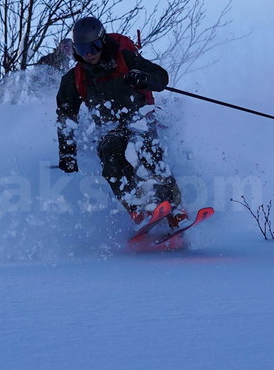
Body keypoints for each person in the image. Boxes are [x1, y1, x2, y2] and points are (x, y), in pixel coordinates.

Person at [56, 15, 183, 223]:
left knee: (147, 148)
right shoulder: (75, 78)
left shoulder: (125, 58)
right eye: (82, 50)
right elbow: (65, 116)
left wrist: (144, 78)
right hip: (110, 127)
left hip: (139, 117)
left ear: (103, 41)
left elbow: (160, 77)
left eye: (93, 47)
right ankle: (136, 207)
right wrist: (67, 153)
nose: (89, 55)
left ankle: (174, 208)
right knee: (110, 157)